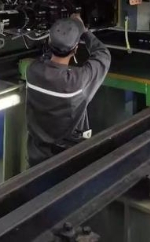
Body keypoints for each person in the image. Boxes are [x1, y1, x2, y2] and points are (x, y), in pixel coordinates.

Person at [26, 13, 111, 167]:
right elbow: (103, 55)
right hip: (68, 161)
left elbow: (46, 58)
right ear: (75, 49)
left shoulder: (32, 70)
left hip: (36, 158)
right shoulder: (76, 82)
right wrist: (84, 32)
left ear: (49, 42)